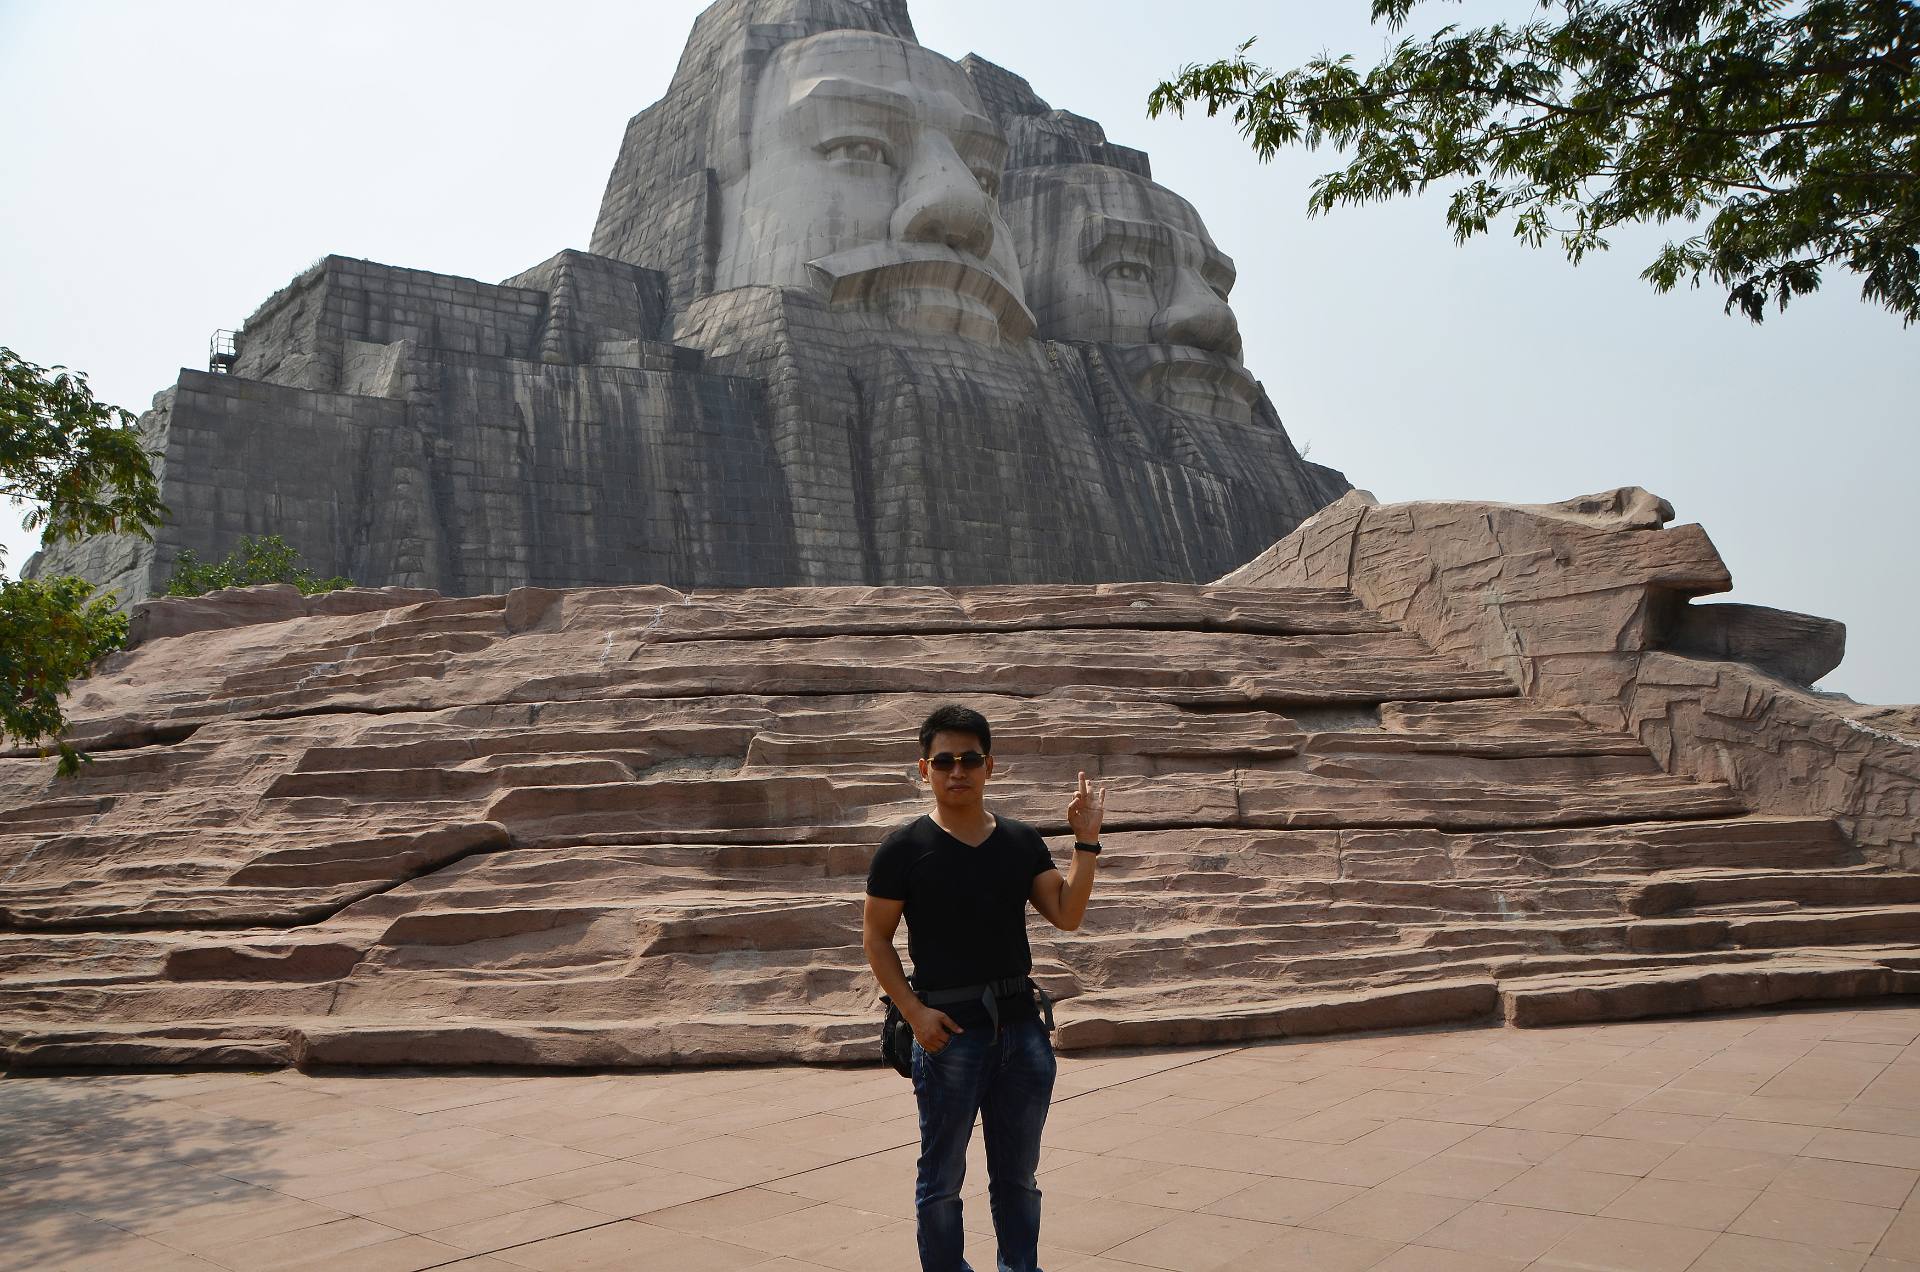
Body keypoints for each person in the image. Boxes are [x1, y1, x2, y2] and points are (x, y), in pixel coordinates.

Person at [863, 703, 1104, 1272]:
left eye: (969, 758)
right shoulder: (903, 850)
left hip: (1020, 1031)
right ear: (924, 769)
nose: (957, 770)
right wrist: (914, 1014)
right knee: (941, 1178)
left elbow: (1066, 914)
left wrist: (1086, 842)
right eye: (943, 760)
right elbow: (876, 940)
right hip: (948, 1033)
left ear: (989, 766)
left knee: (1017, 1177)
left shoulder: (1020, 842)